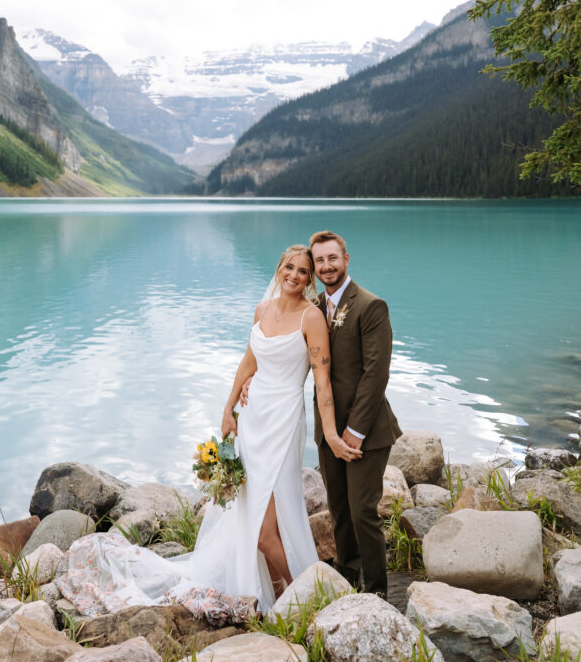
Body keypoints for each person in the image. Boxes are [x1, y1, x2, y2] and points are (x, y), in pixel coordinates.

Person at [55, 244, 355, 618]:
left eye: (303, 272)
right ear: (279, 269)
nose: (295, 276)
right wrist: (228, 409)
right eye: (289, 268)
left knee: (266, 528)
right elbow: (249, 361)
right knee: (249, 511)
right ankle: (278, 592)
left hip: (283, 422)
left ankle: (302, 601)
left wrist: (329, 433)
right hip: (253, 418)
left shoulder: (311, 318)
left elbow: (322, 382)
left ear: (310, 279)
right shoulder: (262, 310)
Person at [309, 229, 401, 598]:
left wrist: (355, 431)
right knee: (339, 510)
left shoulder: (369, 305)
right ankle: (347, 580)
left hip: (368, 431)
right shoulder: (313, 307)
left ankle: (378, 590)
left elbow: (376, 373)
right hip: (327, 429)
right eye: (320, 261)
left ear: (346, 260)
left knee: (363, 511)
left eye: (333, 258)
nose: (326, 266)